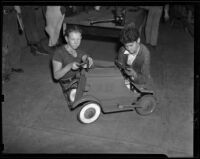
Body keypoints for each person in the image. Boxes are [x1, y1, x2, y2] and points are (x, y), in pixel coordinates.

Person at [52, 25, 93, 90]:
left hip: (77, 77)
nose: (76, 42)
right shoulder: (59, 53)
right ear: (66, 39)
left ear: (81, 38)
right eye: (73, 39)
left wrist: (88, 59)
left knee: (93, 86)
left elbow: (83, 55)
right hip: (67, 82)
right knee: (77, 98)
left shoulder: (76, 49)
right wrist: (70, 66)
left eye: (78, 39)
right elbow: (56, 76)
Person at [116, 22, 153, 90]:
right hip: (125, 79)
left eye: (131, 45)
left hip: (139, 80)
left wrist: (134, 74)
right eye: (126, 46)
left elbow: (145, 78)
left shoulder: (145, 54)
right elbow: (119, 67)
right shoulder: (122, 49)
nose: (129, 48)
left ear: (138, 40)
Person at [2, 6, 24, 83]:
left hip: (12, 14)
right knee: (4, 45)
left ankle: (15, 65)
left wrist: (19, 14)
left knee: (15, 41)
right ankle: (5, 72)